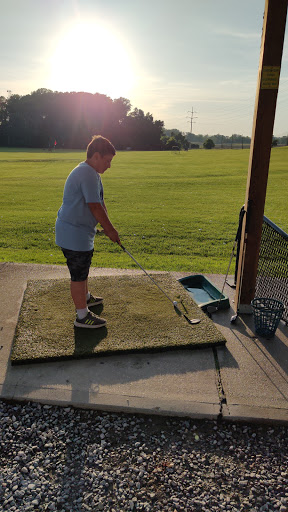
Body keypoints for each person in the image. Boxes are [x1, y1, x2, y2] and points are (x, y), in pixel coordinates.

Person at [55, 135, 120, 329]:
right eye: (107, 161)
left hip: (79, 233)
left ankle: (86, 298)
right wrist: (110, 230)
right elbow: (94, 207)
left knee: (83, 269)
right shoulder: (88, 173)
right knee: (78, 275)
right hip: (73, 234)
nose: (109, 165)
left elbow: (100, 203)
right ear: (97, 156)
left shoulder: (91, 173)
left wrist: (109, 229)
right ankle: (82, 316)